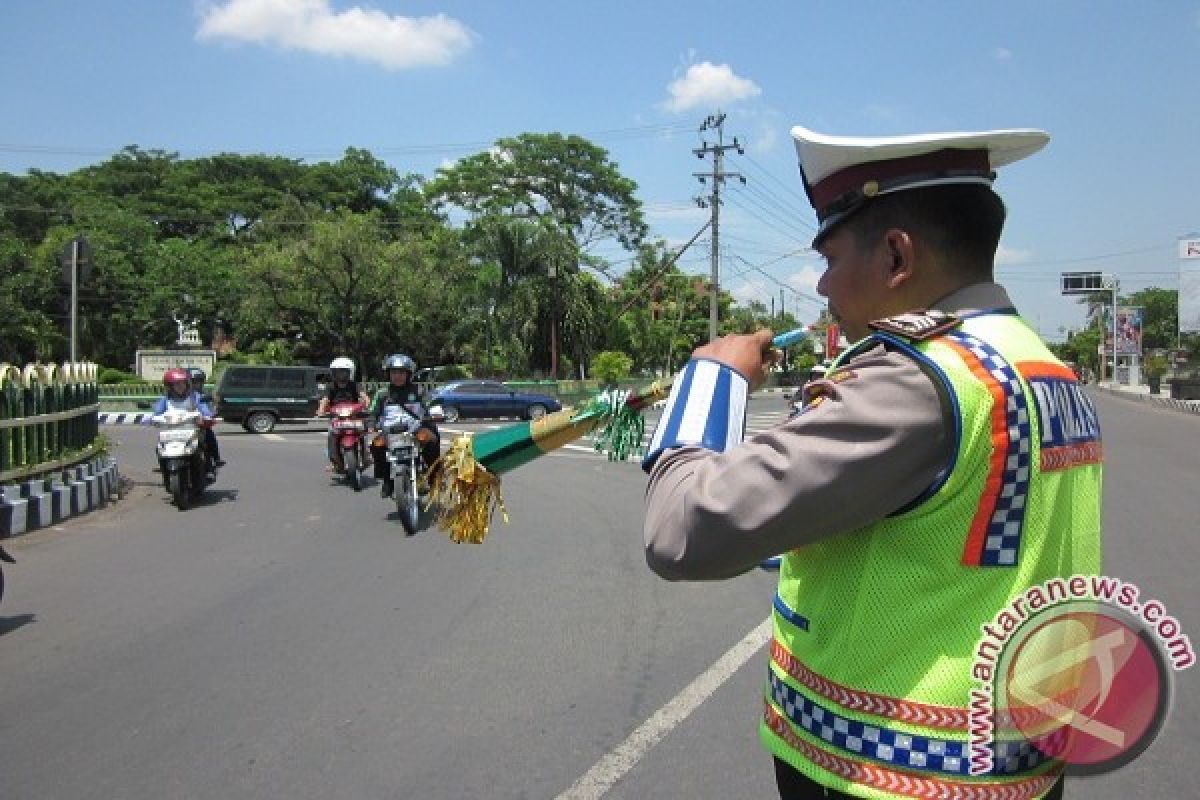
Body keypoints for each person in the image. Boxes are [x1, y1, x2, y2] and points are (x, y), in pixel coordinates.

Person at [641, 125, 1102, 800]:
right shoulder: (1035, 362)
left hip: (895, 773)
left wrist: (711, 381)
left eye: (828, 258)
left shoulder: (918, 380)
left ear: (895, 256)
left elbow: (681, 531)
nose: (822, 284)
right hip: (1015, 763)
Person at [370, 354, 440, 498]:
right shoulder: (382, 394)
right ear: (388, 374)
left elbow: (428, 407)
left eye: (401, 372)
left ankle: (434, 477)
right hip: (390, 432)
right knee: (376, 444)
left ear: (408, 374)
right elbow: (373, 412)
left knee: (431, 440)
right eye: (394, 372)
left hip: (415, 430)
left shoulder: (418, 391)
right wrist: (370, 424)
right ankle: (387, 481)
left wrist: (432, 415)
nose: (397, 376)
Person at [150, 368, 218, 475]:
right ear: (170, 386)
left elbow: (204, 409)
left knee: (203, 442)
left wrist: (206, 416)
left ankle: (208, 466)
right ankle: (163, 466)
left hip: (192, 428)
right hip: (171, 430)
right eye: (176, 384)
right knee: (159, 447)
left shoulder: (194, 397)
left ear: (187, 384)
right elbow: (157, 412)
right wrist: (151, 419)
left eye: (182, 383)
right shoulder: (166, 399)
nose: (180, 386)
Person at [315, 356, 371, 471]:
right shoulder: (330, 386)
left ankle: (366, 455)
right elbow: (325, 400)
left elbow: (363, 396)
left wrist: (366, 403)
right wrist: (321, 410)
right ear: (333, 373)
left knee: (364, 431)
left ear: (350, 372)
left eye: (344, 371)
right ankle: (334, 461)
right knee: (331, 435)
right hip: (337, 417)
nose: (341, 374)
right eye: (338, 371)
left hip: (354, 416)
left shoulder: (355, 385)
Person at [188, 368, 225, 467]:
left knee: (209, 436)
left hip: (199, 424)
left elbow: (207, 409)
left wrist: (211, 414)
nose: (196, 384)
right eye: (193, 382)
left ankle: (215, 459)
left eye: (199, 382)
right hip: (182, 424)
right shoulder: (178, 396)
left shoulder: (202, 396)